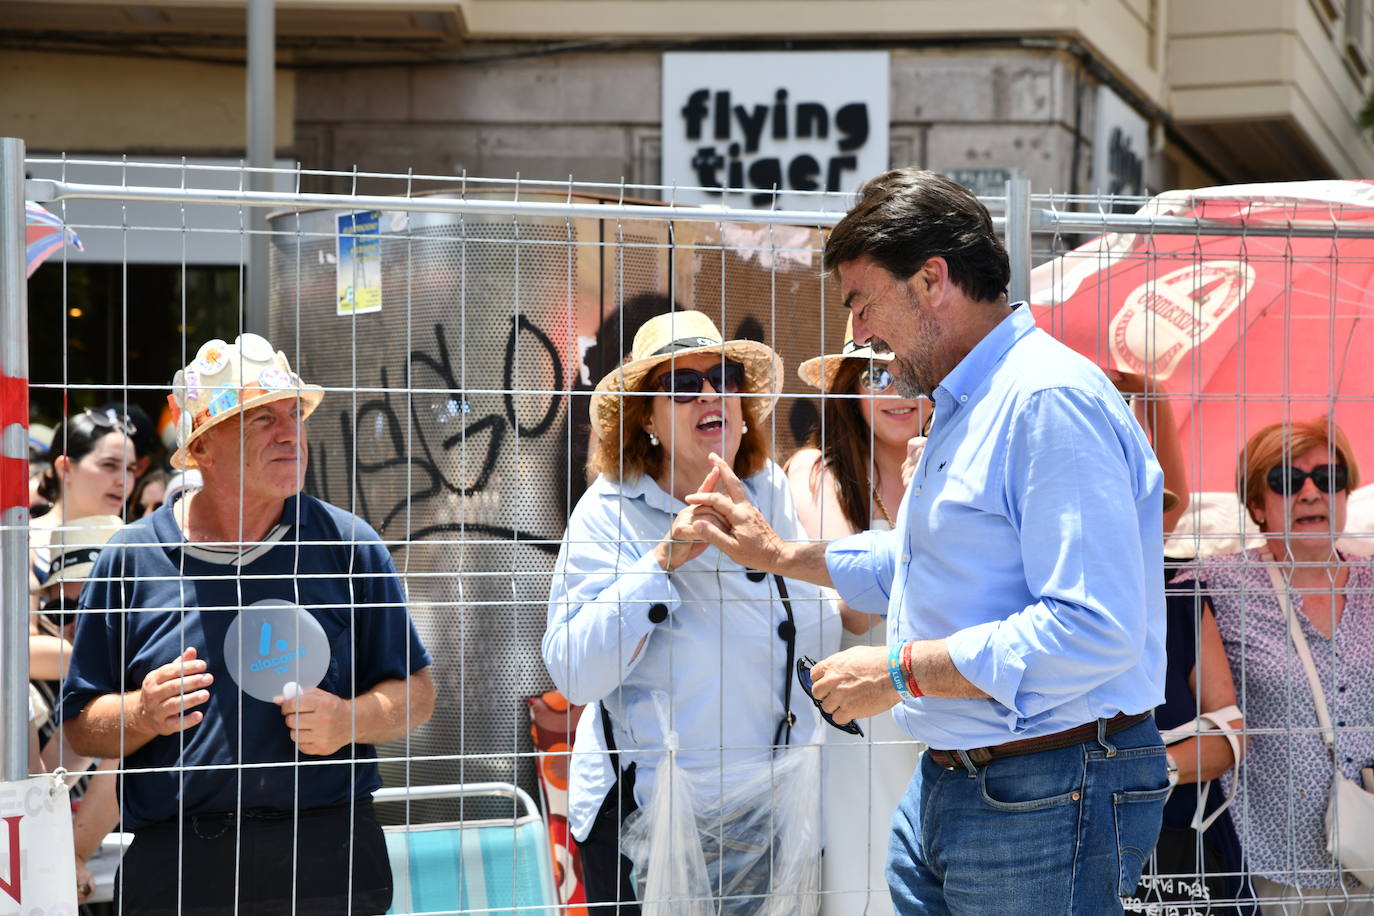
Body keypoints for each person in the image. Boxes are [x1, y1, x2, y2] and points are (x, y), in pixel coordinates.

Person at [684, 169, 1169, 915]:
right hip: (976, 787)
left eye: (861, 302)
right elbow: (924, 565)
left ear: (932, 279)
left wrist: (901, 673)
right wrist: (781, 556)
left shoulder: (1045, 401)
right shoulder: (972, 400)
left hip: (1043, 793)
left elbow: (1093, 628)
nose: (857, 333)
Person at [58, 333, 436, 915]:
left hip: (329, 858)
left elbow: (416, 694)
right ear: (203, 447)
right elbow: (81, 725)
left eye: (293, 413)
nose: (291, 433)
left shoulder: (348, 547)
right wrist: (142, 713)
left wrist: (347, 720)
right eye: (261, 419)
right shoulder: (131, 559)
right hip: (180, 868)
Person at [544, 310, 839, 914]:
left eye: (724, 377)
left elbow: (810, 630)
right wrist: (662, 562)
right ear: (645, 418)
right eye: (683, 383)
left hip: (771, 817)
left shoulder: (770, 491)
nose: (711, 394)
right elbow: (573, 672)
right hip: (649, 825)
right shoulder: (607, 513)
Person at [1176, 417, 1374, 914]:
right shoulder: (1210, 585)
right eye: (1286, 481)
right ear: (1258, 506)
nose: (1311, 494)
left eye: (1328, 479)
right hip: (1273, 864)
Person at [787, 316, 930, 916]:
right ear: (848, 386)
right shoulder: (815, 471)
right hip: (864, 725)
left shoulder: (963, 465)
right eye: (876, 373)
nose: (897, 390)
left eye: (911, 373)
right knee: (867, 891)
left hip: (953, 714)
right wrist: (926, 519)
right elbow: (852, 602)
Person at [30, 408, 138, 584]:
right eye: (109, 465)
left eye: (130, 469)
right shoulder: (21, 542)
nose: (124, 481)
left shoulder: (141, 543)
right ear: (64, 468)